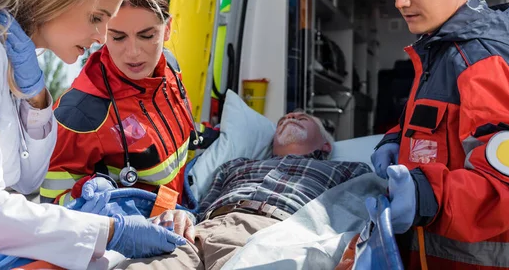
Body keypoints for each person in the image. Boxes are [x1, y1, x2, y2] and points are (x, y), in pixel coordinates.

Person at [0, 0, 186, 270]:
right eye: (97, 18)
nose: (101, 37)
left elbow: (25, 180)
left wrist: (38, 101)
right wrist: (108, 230)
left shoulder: (11, 60)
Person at [370, 0, 509, 269]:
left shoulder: (484, 61)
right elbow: (435, 128)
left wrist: (426, 195)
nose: (400, 1)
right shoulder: (441, 53)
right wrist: (395, 140)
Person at [114, 110, 372, 270]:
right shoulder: (236, 165)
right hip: (203, 231)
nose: (291, 117)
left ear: (326, 145)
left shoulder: (349, 170)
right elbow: (202, 208)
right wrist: (184, 216)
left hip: (272, 234)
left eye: (301, 117)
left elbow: (362, 215)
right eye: (284, 120)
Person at [40, 0, 198, 207]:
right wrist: (117, 215)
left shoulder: (169, 67)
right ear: (103, 33)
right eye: (118, 37)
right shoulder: (80, 113)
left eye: (147, 36)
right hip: (136, 236)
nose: (133, 52)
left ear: (167, 29)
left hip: (182, 210)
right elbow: (52, 206)